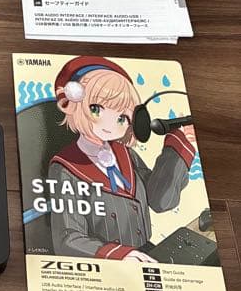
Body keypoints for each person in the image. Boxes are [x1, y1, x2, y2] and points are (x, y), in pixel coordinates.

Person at [48, 56, 195, 261]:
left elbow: (160, 201)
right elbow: (68, 239)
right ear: (71, 103)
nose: (110, 125)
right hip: (104, 261)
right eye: (96, 109)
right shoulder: (65, 168)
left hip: (145, 253)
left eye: (121, 118)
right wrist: (119, 255)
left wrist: (177, 149)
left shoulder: (126, 154)